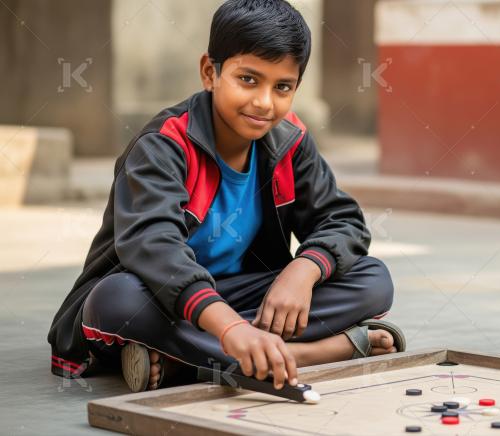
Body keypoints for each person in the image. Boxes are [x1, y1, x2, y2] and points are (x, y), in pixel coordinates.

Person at [47, 0, 405, 393]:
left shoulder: (290, 141)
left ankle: (191, 360)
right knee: (116, 298)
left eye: (282, 86)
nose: (264, 102)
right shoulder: (164, 145)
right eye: (248, 80)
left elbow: (343, 221)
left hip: (240, 293)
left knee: (373, 278)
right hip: (165, 295)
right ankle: (305, 354)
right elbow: (154, 246)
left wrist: (302, 272)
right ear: (209, 72)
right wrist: (230, 327)